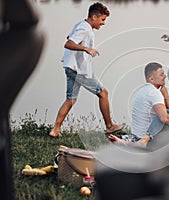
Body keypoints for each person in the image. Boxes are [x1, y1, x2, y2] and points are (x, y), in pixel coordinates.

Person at [49, 2, 124, 137]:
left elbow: (70, 38)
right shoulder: (84, 29)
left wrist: (79, 44)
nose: (103, 23)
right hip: (78, 70)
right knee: (103, 93)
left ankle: (55, 130)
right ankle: (110, 126)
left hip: (70, 67)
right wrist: (86, 48)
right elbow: (68, 43)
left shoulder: (80, 25)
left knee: (70, 99)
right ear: (94, 17)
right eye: (102, 19)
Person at [108, 62, 169, 147]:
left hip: (139, 134)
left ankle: (129, 141)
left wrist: (166, 96)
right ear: (151, 79)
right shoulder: (154, 93)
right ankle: (137, 142)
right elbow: (165, 117)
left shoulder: (143, 90)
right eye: (161, 74)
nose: (165, 76)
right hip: (147, 137)